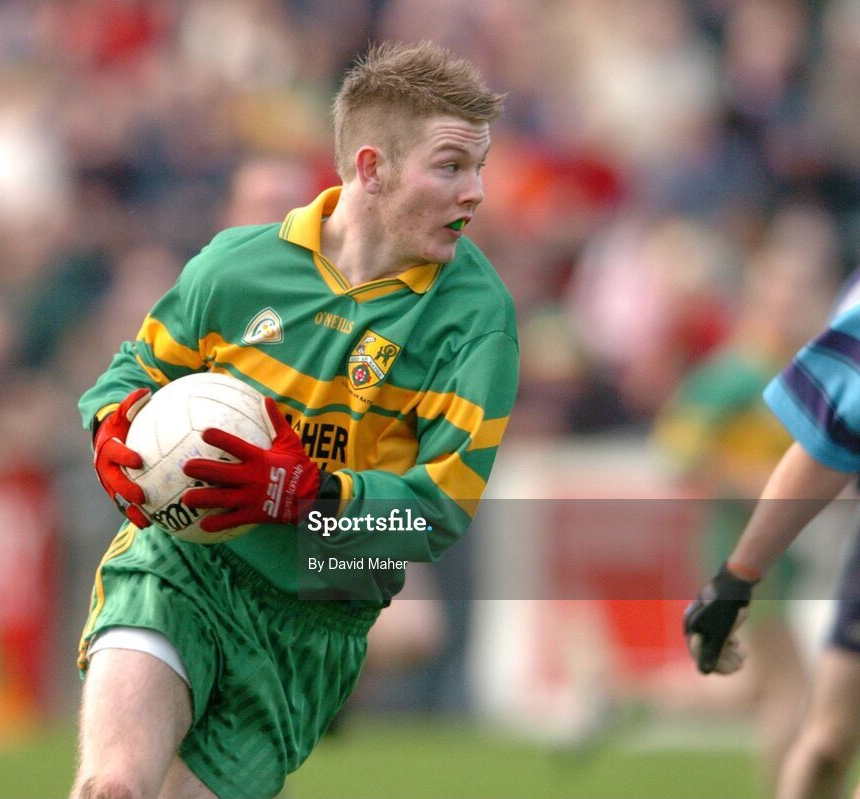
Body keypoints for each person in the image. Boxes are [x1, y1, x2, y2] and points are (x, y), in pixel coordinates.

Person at [72, 41, 518, 799]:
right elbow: (132, 375)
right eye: (450, 166)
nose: (474, 191)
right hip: (182, 564)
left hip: (312, 617)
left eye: (480, 166)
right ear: (371, 168)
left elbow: (439, 512)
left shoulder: (478, 320)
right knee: (112, 786)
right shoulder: (234, 267)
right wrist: (112, 429)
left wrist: (308, 493)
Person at [684, 292, 860, 799]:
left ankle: (627, 698)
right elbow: (682, 450)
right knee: (791, 696)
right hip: (748, 535)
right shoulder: (732, 374)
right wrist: (738, 572)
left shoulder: (779, 361)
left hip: (777, 543)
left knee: (777, 688)